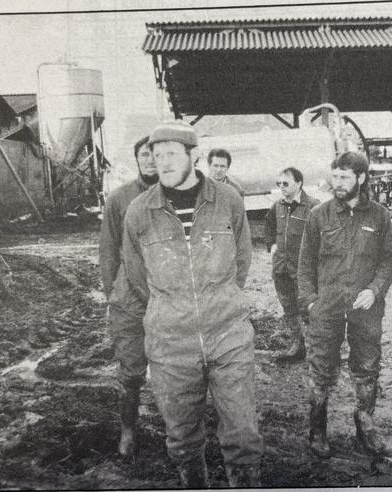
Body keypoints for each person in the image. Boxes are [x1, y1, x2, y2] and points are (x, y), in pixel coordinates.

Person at [121, 120, 263, 488]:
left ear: (193, 156)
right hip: (171, 343)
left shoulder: (228, 200)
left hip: (228, 335)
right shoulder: (138, 212)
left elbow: (240, 263)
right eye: (156, 154)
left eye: (171, 154)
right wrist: (174, 310)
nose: (162, 162)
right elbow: (138, 278)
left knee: (244, 435)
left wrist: (218, 303)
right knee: (182, 438)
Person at [297, 151, 392, 458]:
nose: (337, 183)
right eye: (335, 176)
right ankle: (317, 430)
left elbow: (388, 260)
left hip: (365, 309)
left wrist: (375, 290)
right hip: (326, 308)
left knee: (367, 367)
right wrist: (311, 302)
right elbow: (305, 265)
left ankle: (365, 427)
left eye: (344, 177)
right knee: (321, 369)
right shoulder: (319, 215)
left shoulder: (379, 216)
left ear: (361, 178)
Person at [98, 135, 158, 458]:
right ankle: (128, 431)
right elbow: (108, 250)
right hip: (130, 299)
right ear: (137, 159)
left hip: (167, 295)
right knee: (131, 371)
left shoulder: (174, 196)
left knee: (180, 369)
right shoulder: (119, 199)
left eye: (155, 155)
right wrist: (113, 292)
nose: (150, 160)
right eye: (144, 155)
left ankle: (181, 430)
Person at [264, 167, 320, 362]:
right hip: (281, 268)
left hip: (303, 270)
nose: (281, 188)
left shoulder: (313, 206)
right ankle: (298, 346)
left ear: (299, 183)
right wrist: (271, 244)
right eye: (279, 184)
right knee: (289, 309)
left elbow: (322, 237)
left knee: (308, 309)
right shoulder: (277, 206)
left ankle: (317, 349)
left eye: (285, 184)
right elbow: (269, 226)